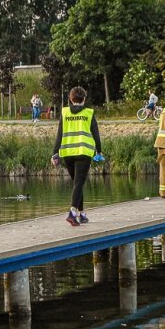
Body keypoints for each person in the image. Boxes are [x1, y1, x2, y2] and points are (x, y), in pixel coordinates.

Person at [52, 86, 103, 226]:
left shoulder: (65, 112)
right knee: (79, 183)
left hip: (67, 153)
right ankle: (72, 213)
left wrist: (55, 153)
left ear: (70, 98)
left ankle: (81, 214)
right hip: (83, 152)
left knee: (77, 184)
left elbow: (59, 134)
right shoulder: (89, 113)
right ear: (84, 99)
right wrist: (99, 151)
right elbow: (96, 134)